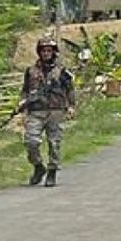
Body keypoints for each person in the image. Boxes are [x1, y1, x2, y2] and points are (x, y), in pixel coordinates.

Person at [21, 37, 76, 187]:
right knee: (31, 141)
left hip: (55, 111)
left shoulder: (61, 71)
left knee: (54, 143)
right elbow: (25, 90)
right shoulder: (31, 71)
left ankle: (52, 171)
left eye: (49, 51)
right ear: (39, 52)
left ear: (53, 52)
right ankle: (38, 166)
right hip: (36, 111)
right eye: (43, 51)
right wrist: (23, 105)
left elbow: (70, 89)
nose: (46, 53)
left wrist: (71, 106)